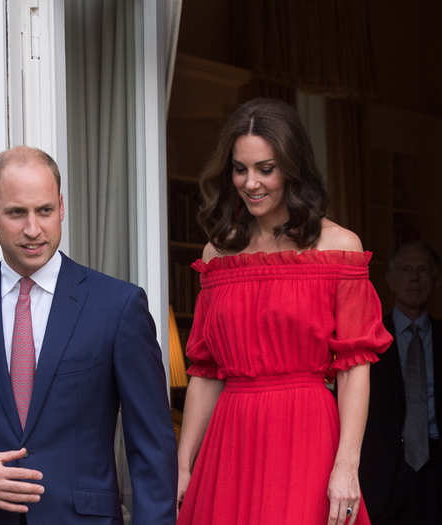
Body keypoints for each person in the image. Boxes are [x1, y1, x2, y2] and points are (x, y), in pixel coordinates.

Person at [0, 146, 177, 524]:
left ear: (61, 206)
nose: (32, 229)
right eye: (16, 213)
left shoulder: (118, 307)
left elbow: (152, 447)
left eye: (44, 211)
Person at [175, 98, 392, 525]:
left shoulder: (339, 247)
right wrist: (183, 464)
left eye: (265, 169)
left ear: (292, 169)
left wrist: (347, 467)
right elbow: (204, 371)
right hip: (230, 441)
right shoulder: (217, 254)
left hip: (307, 435)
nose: (250, 182)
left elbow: (354, 369)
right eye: (240, 169)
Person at [359, 241, 442, 524]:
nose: (414, 278)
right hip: (382, 474)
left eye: (422, 270)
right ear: (390, 279)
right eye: (406, 269)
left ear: (436, 279)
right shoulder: (367, 339)